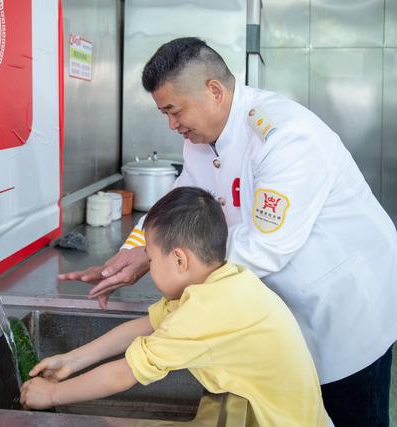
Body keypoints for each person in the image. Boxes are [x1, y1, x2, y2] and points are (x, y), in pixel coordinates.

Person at [58, 37, 397, 426]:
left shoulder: (285, 136)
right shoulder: (202, 140)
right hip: (282, 314)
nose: (172, 124)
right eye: (164, 114)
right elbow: (179, 200)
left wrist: (158, 258)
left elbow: (266, 247)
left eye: (174, 110)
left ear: (214, 91)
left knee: (351, 412)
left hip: (342, 306)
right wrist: (136, 248)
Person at [23, 187, 331, 426]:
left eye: (151, 259)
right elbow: (143, 326)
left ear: (180, 260)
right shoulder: (223, 282)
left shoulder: (207, 310)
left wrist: (52, 394)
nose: (150, 268)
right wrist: (73, 360)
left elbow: (123, 375)